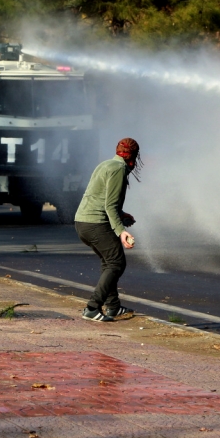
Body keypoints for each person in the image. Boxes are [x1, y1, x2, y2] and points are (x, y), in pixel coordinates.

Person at [74, 137, 143, 322]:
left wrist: (121, 215)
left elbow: (103, 200)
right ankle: (92, 308)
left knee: (109, 263)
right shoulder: (118, 169)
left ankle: (113, 307)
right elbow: (109, 205)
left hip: (83, 222)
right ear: (134, 156)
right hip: (95, 223)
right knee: (116, 263)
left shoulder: (106, 164)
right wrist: (121, 231)